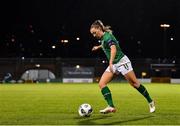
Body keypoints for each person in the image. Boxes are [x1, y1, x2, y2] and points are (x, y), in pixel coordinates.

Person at [90, 20, 155, 114]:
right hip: (114, 64)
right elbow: (106, 44)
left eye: (94, 32)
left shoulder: (107, 36)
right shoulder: (104, 37)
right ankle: (111, 106)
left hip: (121, 61)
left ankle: (150, 101)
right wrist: (98, 47)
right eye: (92, 34)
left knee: (135, 84)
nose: (94, 35)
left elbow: (113, 48)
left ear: (99, 28)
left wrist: (111, 62)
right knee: (102, 84)